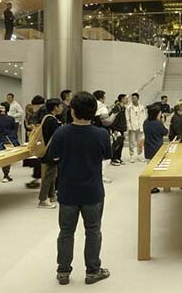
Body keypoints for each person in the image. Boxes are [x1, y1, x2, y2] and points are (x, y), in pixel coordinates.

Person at [47, 92, 111, 285]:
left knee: (66, 232)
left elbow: (53, 156)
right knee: (93, 231)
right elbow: (106, 156)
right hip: (93, 190)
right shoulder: (101, 134)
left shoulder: (61, 132)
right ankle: (93, 270)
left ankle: (63, 271)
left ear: (72, 110)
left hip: (68, 190)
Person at [39, 99, 63, 209]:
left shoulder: (46, 118)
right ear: (55, 107)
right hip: (51, 152)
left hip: (47, 150)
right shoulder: (52, 120)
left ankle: (51, 196)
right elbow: (56, 138)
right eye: (60, 106)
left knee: (52, 175)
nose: (61, 108)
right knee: (49, 176)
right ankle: (43, 199)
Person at [109, 94, 128, 165]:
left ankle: (118, 158)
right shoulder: (117, 107)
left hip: (121, 128)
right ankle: (113, 159)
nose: (127, 100)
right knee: (116, 144)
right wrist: (114, 129)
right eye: (125, 98)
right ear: (122, 99)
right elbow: (114, 118)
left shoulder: (123, 107)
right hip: (116, 128)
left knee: (121, 144)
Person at [126, 93, 145, 163]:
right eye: (132, 98)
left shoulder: (142, 107)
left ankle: (139, 155)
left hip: (140, 127)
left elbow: (144, 117)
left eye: (135, 98)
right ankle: (131, 155)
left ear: (138, 98)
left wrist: (143, 126)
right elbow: (127, 118)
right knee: (131, 142)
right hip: (132, 127)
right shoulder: (128, 107)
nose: (133, 99)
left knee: (140, 142)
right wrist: (129, 126)